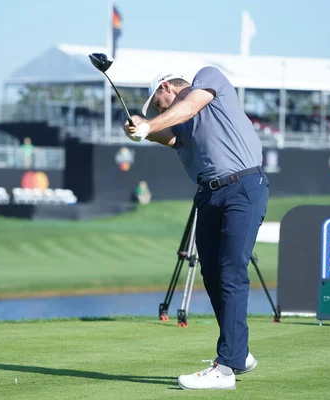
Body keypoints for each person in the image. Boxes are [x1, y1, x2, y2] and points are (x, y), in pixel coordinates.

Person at [124, 67, 269, 390]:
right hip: (208, 195)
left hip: (243, 187)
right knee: (213, 275)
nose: (159, 109)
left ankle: (226, 368)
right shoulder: (181, 123)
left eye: (158, 103)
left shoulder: (208, 78)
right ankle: (240, 352)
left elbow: (187, 107)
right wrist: (139, 128)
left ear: (166, 86)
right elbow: (171, 136)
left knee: (232, 271)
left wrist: (150, 123)